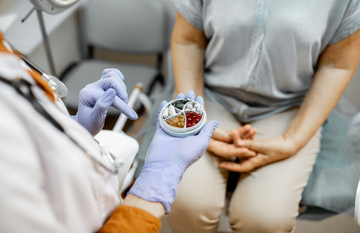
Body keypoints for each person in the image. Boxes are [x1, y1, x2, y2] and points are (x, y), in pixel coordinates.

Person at [167, 0, 360, 232]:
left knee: (264, 220)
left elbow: (337, 64)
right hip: (210, 96)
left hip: (289, 106)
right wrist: (194, 121)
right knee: (186, 202)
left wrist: (292, 140)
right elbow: (189, 42)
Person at [0, 31, 218, 233]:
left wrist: (75, 127)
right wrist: (153, 187)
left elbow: (32, 121)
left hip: (91, 190)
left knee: (129, 146)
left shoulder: (6, 53)